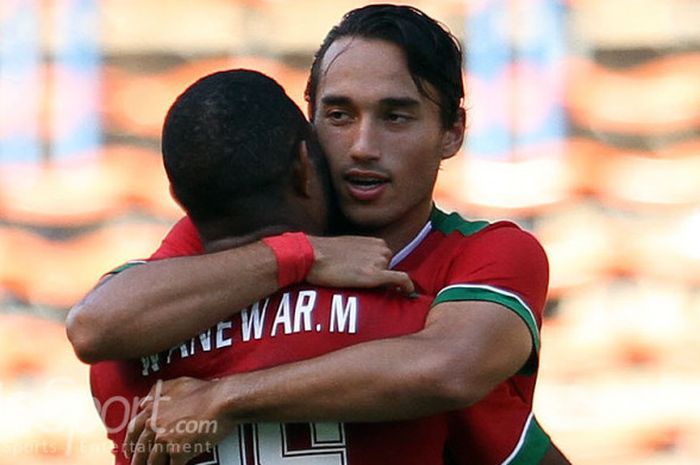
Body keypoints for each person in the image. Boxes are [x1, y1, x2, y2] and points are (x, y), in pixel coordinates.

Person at [68, 5, 570, 464]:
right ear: (307, 128)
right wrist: (301, 255)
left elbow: (448, 367)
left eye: (395, 116)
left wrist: (222, 398)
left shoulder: (489, 252)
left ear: (452, 131)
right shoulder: (243, 247)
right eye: (339, 115)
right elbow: (94, 325)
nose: (362, 146)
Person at [91, 68, 449, 465]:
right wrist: (303, 253)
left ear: (177, 197)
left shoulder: (118, 363)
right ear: (302, 166)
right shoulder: (410, 328)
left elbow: (90, 325)